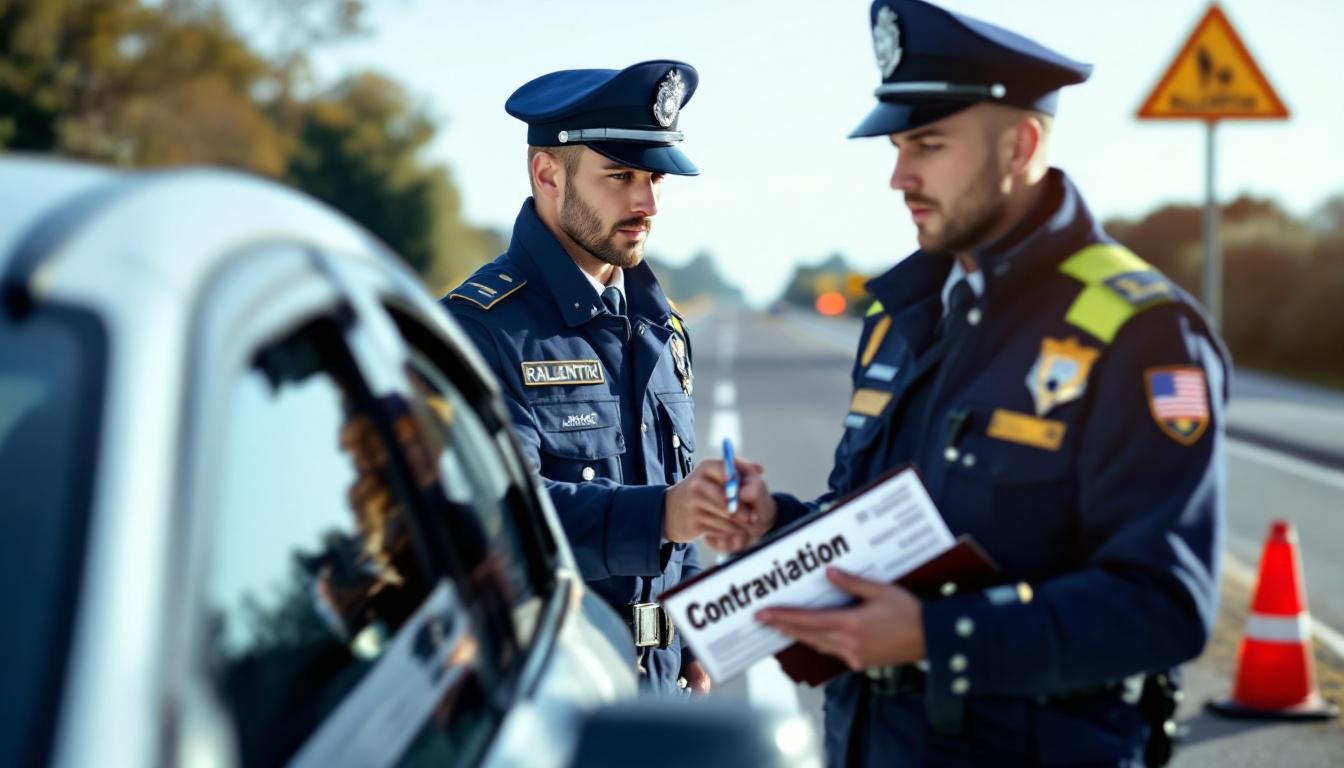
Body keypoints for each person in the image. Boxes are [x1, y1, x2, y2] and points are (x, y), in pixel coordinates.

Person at [733, 1, 1230, 764]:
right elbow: (881, 528)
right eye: (898, 147)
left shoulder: (1143, 333)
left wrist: (937, 637)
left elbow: (1164, 606)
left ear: (1020, 145)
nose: (899, 176)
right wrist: (776, 526)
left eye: (927, 145)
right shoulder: (901, 316)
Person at [442, 60, 757, 696]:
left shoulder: (660, 327)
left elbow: (674, 486)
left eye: (654, 178)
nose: (647, 203)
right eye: (619, 176)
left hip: (659, 697)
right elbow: (498, 520)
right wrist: (662, 516)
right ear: (547, 174)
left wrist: (690, 630)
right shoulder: (480, 332)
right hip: (556, 704)